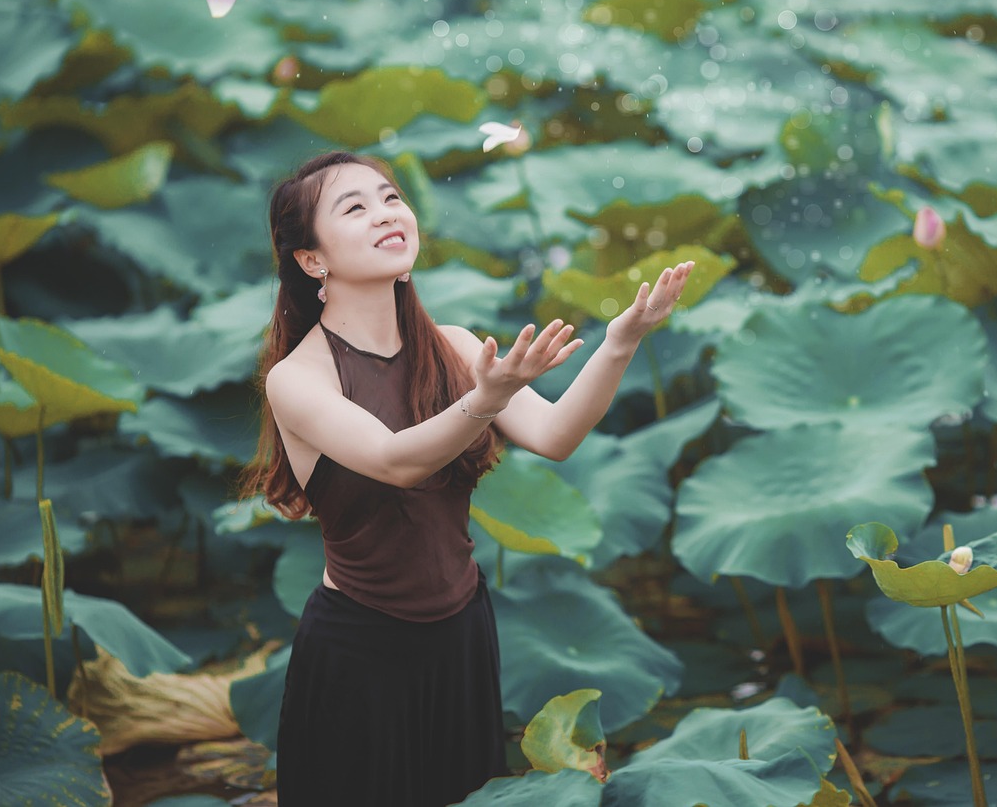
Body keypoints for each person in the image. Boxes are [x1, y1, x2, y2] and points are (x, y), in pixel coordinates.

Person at [240, 151, 694, 806]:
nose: (386, 214)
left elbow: (557, 435)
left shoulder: (450, 343)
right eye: (356, 207)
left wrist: (621, 342)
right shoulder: (298, 377)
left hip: (461, 633)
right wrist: (485, 398)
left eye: (391, 197)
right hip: (362, 649)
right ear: (313, 260)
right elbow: (398, 459)